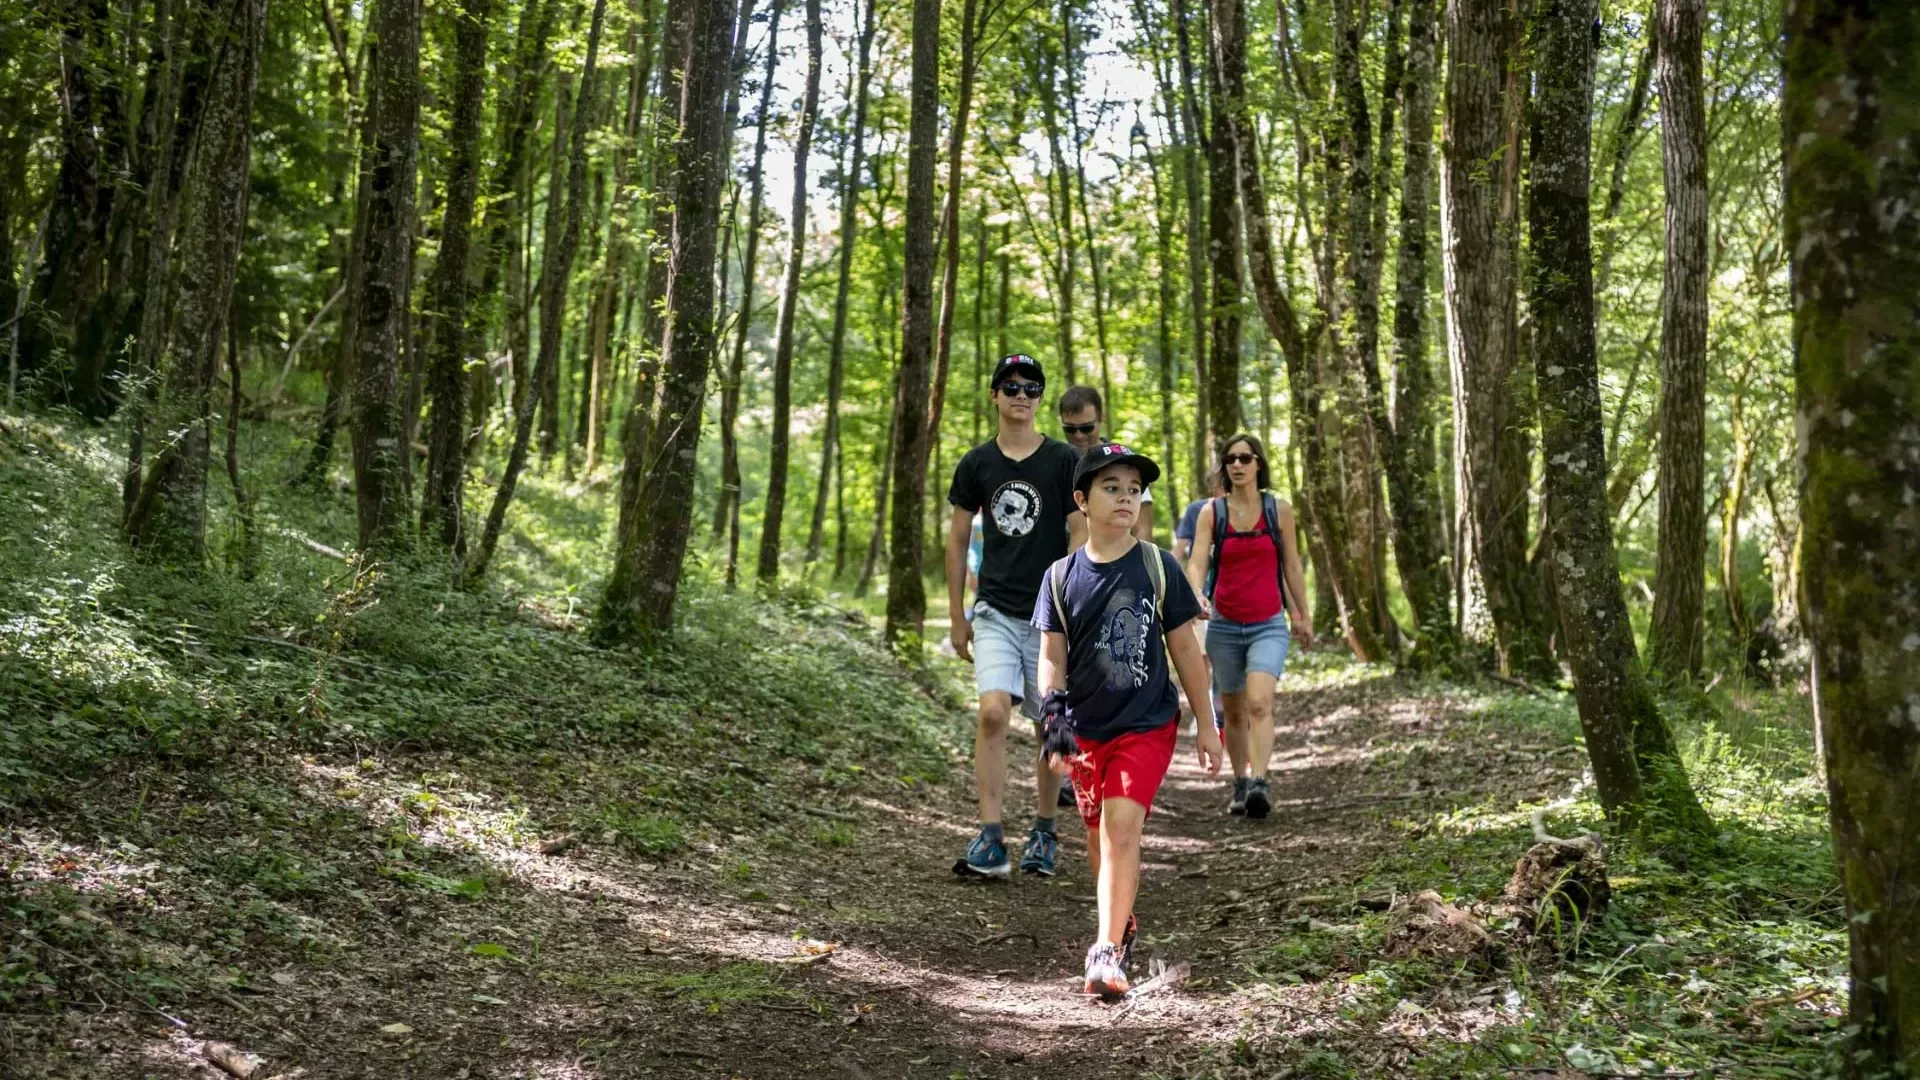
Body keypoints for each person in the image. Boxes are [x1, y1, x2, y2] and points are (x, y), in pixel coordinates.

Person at [1033, 441, 1222, 999]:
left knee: (1120, 828)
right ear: (1082, 500)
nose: (1125, 498)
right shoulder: (1061, 577)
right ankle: (1122, 921)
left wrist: (1206, 724)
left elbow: (1187, 651)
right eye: (1111, 487)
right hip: (1086, 730)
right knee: (1099, 839)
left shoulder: (1158, 566)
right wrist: (1053, 716)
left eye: (1133, 489)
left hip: (1147, 723)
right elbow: (1051, 655)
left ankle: (1105, 951)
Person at [947, 354, 1087, 878]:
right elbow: (959, 537)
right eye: (1011, 386)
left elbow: (1078, 531)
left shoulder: (1061, 462)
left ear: (1040, 398)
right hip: (996, 610)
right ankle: (990, 838)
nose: (1021, 395)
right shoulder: (977, 463)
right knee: (991, 713)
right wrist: (957, 614)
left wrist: (1072, 602)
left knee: (1048, 724)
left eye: (1032, 387)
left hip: (1049, 616)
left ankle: (1045, 831)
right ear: (995, 395)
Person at [1183, 434, 1312, 820]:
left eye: (1245, 458)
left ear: (1258, 464)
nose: (1237, 465)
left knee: (1259, 702)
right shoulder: (1212, 512)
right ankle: (1240, 781)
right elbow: (1197, 562)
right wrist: (1195, 595)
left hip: (1268, 623)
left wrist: (1302, 615)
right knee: (1235, 711)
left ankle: (1259, 780)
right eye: (1230, 460)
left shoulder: (1278, 510)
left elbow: (1291, 565)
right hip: (1223, 625)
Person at [1058, 386, 1155, 542]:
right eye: (1069, 429)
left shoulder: (1123, 462)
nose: (1079, 436)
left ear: (1101, 418)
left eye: (1086, 428)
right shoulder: (1058, 463)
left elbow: (1143, 528)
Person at [1173, 470, 1227, 563]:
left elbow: (1179, 551)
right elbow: (1179, 549)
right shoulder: (1196, 509)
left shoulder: (1250, 510)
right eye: (1220, 484)